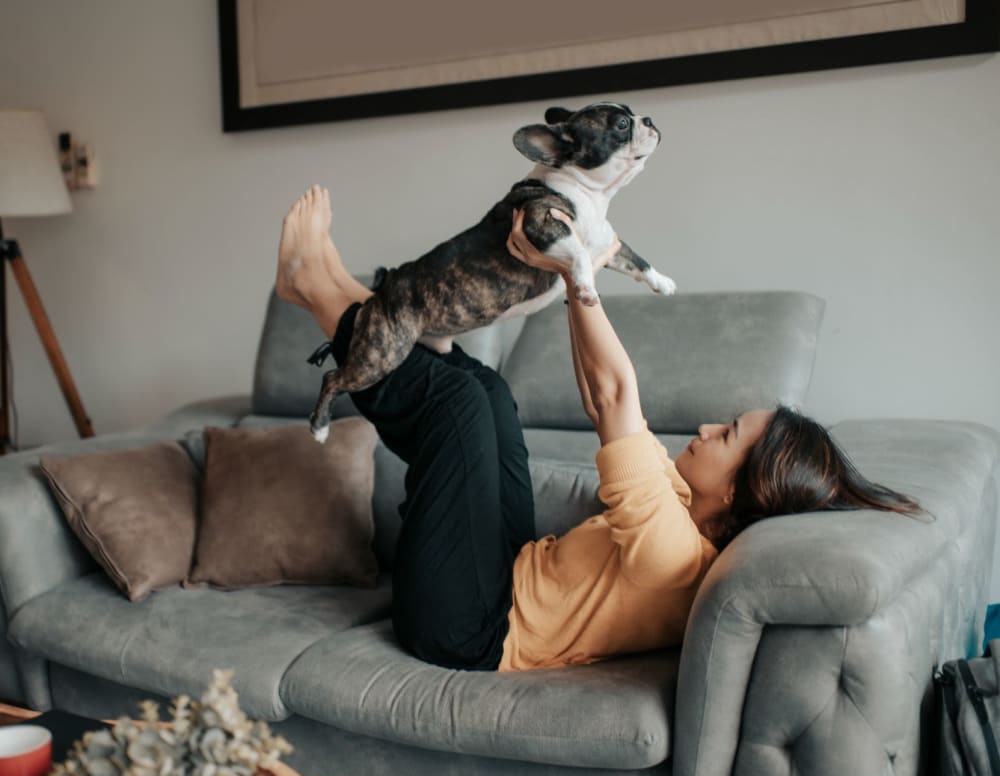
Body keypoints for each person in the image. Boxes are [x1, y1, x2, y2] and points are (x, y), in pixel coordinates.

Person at [275, 185, 921, 673]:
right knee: (489, 394)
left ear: (739, 497)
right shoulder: (676, 508)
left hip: (466, 629)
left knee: (457, 410)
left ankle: (317, 290)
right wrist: (569, 281)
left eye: (727, 435)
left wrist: (576, 275)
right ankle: (331, 288)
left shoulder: (673, 554)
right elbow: (597, 395)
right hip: (501, 573)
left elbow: (616, 396)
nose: (704, 427)